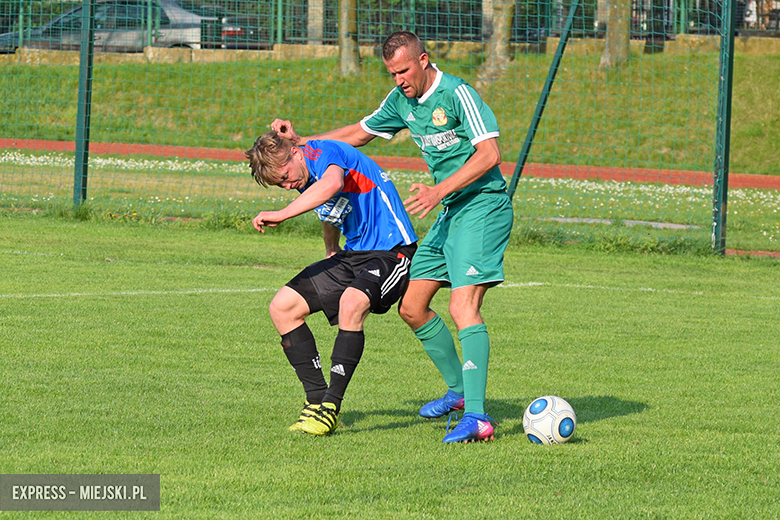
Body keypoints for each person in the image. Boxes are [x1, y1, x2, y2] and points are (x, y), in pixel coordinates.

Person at [271, 30, 513, 444]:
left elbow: (490, 154)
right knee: (413, 307)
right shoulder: (401, 100)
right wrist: (300, 144)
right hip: (451, 212)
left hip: (483, 206)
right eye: (392, 72)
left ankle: (478, 416)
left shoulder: (458, 93)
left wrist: (438, 190)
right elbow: (357, 134)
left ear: (423, 59)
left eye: (403, 70)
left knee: (462, 305)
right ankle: (458, 392)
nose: (399, 79)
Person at [246, 130, 418, 435]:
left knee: (351, 304)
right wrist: (331, 250)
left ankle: (331, 407)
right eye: (280, 185)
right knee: (282, 307)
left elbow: (332, 186)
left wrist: (283, 214)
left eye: (285, 176)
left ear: (294, 153)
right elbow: (330, 210)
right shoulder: (305, 175)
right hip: (353, 254)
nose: (288, 185)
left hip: (392, 251)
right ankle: (315, 403)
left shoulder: (323, 152)